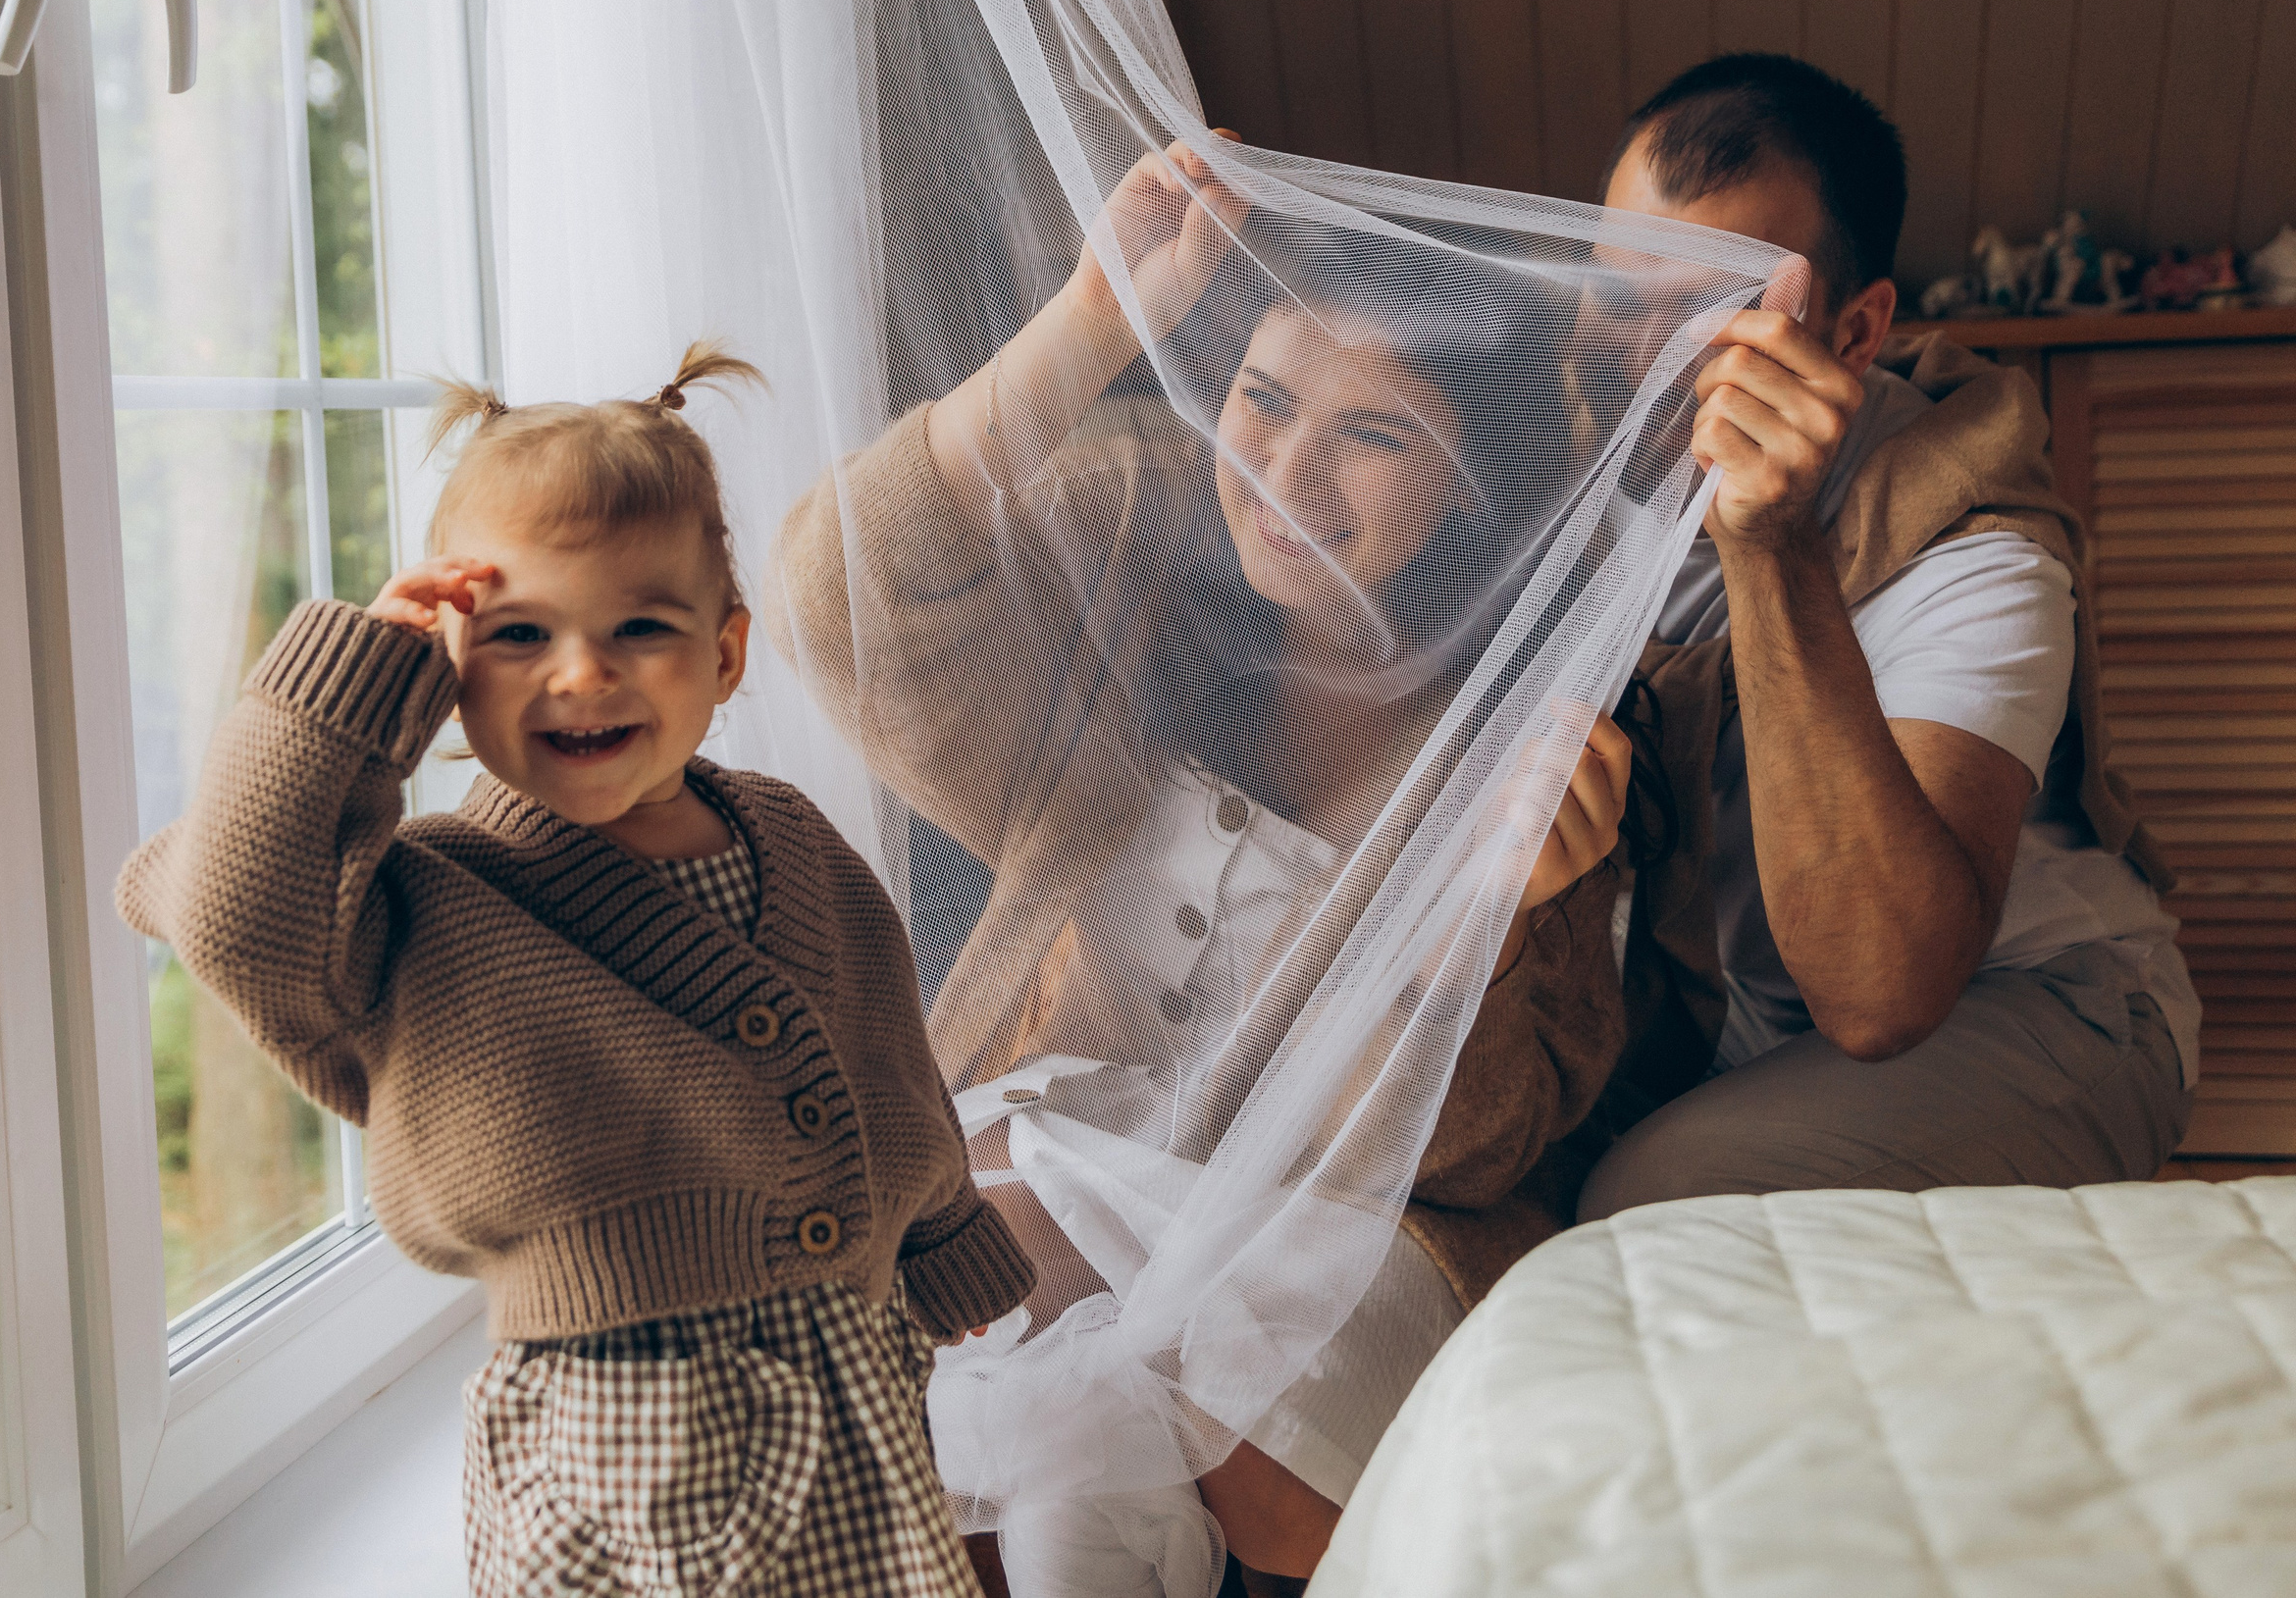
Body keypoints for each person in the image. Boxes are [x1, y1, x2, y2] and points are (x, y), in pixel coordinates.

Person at [770, 139, 1654, 1584]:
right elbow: (840, 595)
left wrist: (1484, 932)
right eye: (1260, 399)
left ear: (1476, 485)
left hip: (1325, 1258)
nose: (1283, 474)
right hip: (1041, 1189)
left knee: (1058, 1305)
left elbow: (1480, 1149)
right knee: (970, 1260)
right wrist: (1097, 320)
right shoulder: (1128, 566)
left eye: (1372, 437)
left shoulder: (1537, 743)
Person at [116, 345, 1035, 1598]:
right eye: (520, 635)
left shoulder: (790, 835)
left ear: (724, 656)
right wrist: (356, 684)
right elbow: (231, 906)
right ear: (446, 673)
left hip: (854, 1393)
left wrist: (939, 1237)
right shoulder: (417, 898)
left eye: (639, 629)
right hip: (616, 1443)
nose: (582, 673)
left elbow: (880, 1047)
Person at [1579, 54, 2195, 1219]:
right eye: (1616, 301)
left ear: (1855, 333)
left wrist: (1770, 543)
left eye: (1706, 316)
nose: (1638, 371)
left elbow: (1880, 990)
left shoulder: (1982, 550)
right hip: (1733, 1018)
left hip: (2038, 1004)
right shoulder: (1568, 456)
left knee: (1659, 1196)